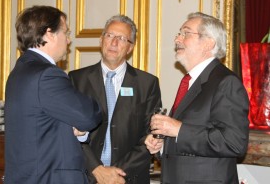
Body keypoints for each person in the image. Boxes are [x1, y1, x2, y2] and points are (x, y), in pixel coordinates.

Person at [145, 12, 249, 184]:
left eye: (186, 33)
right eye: (179, 33)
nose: (177, 39)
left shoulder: (226, 82)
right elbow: (186, 138)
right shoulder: (190, 82)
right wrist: (162, 146)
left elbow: (234, 142)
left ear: (208, 43)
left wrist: (178, 130)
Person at [4, 5, 102, 183]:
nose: (69, 40)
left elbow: (45, 122)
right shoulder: (46, 74)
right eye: (66, 32)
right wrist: (83, 119)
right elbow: (89, 115)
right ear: (49, 34)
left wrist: (76, 126)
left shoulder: (21, 71)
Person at [68, 15, 162, 184]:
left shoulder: (147, 84)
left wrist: (116, 174)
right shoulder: (77, 80)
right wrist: (97, 169)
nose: (113, 43)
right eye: (109, 36)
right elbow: (68, 131)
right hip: (86, 175)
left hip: (129, 177)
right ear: (101, 40)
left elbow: (150, 135)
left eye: (121, 38)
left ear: (130, 47)